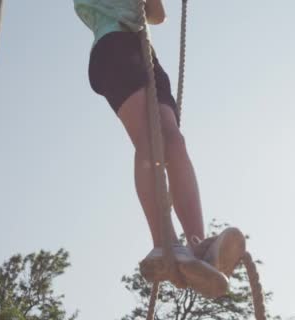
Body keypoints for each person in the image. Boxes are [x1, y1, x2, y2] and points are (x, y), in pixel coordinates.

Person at [73, 0, 245, 297]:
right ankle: (163, 245)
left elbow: (157, 14)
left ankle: (197, 246)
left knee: (174, 141)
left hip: (145, 53)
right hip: (113, 45)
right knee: (150, 141)